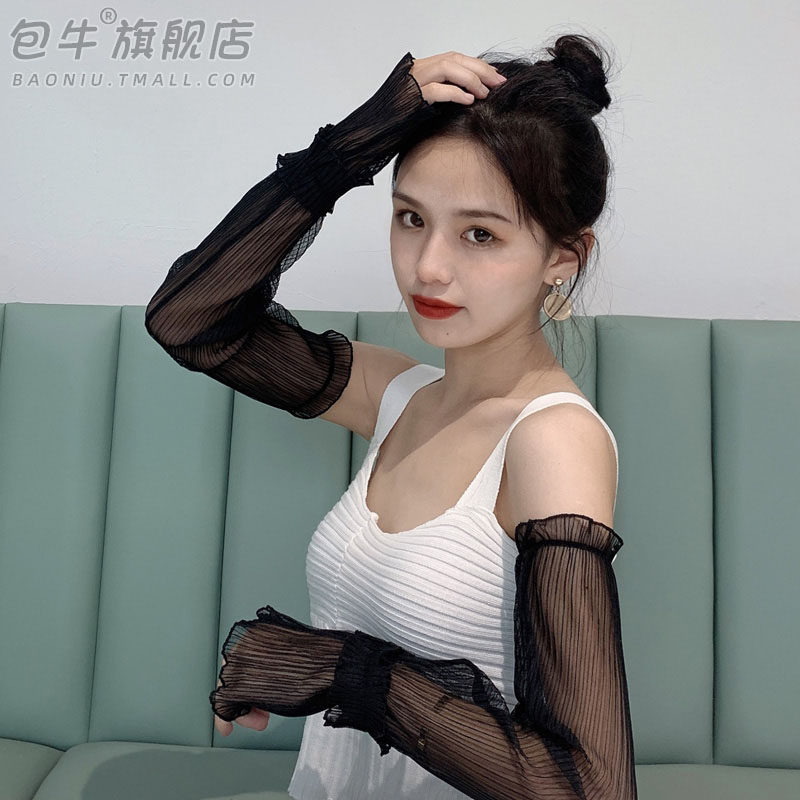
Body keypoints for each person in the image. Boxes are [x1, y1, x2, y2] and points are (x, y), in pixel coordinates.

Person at [146, 38, 637, 800]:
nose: (428, 267)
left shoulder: (553, 442)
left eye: (480, 234)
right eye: (411, 218)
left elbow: (587, 788)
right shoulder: (398, 393)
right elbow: (187, 319)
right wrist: (351, 146)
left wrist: (338, 670)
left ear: (562, 258)